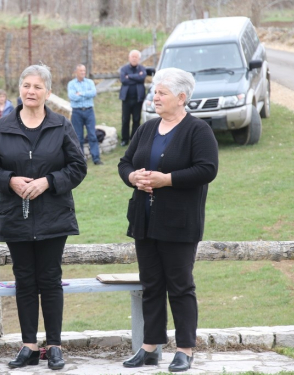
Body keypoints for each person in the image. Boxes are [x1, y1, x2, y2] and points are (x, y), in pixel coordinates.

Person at [0, 65, 87, 371]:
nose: (31, 91)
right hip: (16, 215)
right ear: (19, 89)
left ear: (48, 93)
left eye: (37, 87)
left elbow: (78, 166)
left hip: (54, 215)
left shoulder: (61, 125)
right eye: (26, 85)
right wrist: (10, 180)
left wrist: (49, 182)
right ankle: (28, 345)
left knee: (50, 279)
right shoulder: (3, 126)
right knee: (24, 279)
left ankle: (54, 344)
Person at [118, 67, 218, 373]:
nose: (155, 97)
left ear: (181, 97)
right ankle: (150, 348)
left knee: (180, 286)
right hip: (144, 221)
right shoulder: (147, 129)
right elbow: (124, 163)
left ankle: (185, 350)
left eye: (161, 92)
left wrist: (168, 179)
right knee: (151, 285)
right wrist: (133, 176)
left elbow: (207, 169)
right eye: (155, 92)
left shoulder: (197, 131)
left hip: (179, 224)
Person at [67, 64, 103, 165]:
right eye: (81, 71)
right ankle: (81, 159)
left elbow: (93, 93)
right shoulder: (71, 84)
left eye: (84, 71)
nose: (83, 72)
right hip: (77, 112)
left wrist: (80, 93)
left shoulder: (90, 82)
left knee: (92, 135)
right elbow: (72, 96)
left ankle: (96, 158)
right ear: (76, 72)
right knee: (78, 137)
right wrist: (86, 93)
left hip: (89, 111)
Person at [119, 50, 147, 146]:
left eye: (136, 57)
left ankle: (134, 139)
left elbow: (142, 78)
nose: (134, 58)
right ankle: (124, 139)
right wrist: (136, 78)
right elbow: (123, 80)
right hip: (126, 99)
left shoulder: (142, 68)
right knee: (125, 119)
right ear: (129, 58)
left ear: (139, 59)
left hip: (138, 99)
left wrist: (129, 77)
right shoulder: (124, 69)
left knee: (136, 119)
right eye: (132, 57)